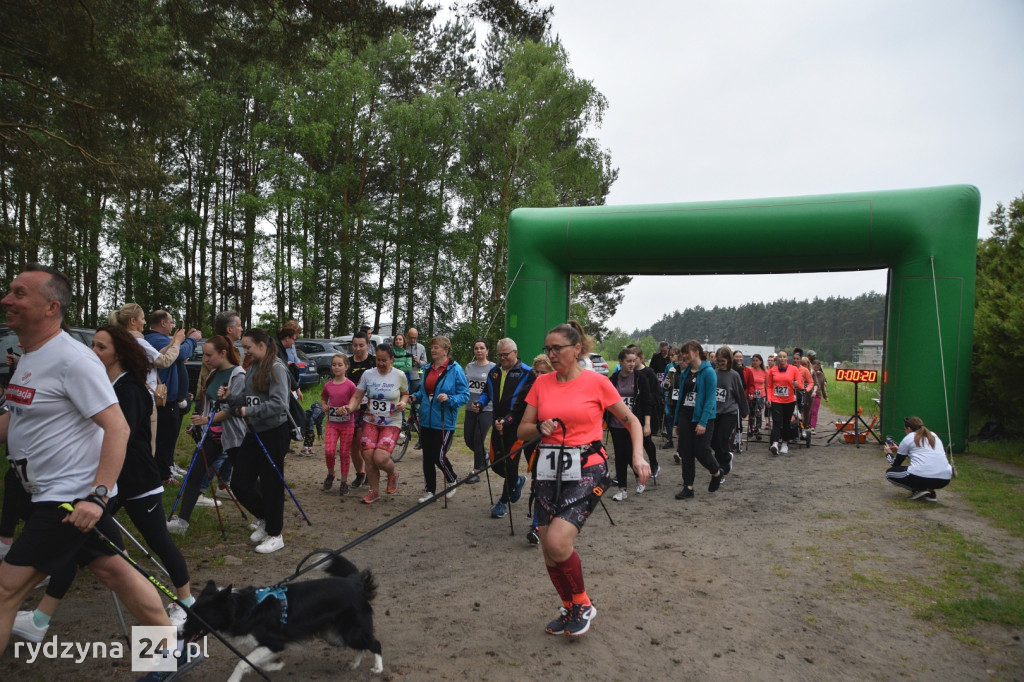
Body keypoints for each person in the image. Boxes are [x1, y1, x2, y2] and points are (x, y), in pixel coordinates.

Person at [0, 264, 177, 656]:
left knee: (4, 590)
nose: (7, 300)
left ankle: (165, 652)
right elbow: (19, 417)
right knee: (118, 572)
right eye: (9, 292)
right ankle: (166, 653)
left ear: (51, 306)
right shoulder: (31, 358)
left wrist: (96, 498)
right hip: (49, 493)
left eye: (18, 293)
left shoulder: (73, 360)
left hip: (67, 499)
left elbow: (117, 428)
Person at [14, 325, 196, 641]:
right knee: (84, 551)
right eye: (93, 345)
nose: (94, 352)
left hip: (136, 480)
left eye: (102, 347)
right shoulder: (105, 383)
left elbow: (116, 433)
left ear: (120, 354)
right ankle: (41, 619)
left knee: (157, 541)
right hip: (105, 483)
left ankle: (188, 603)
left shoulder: (129, 389)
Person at [518, 321, 649, 637]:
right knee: (548, 551)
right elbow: (523, 430)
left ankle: (583, 603)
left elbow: (630, 420)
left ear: (576, 349)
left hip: (588, 467)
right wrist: (540, 427)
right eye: (547, 349)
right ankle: (569, 606)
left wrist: (637, 455)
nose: (551, 354)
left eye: (557, 348)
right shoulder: (542, 384)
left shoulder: (597, 383)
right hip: (548, 469)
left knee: (558, 541)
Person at [167, 336, 247, 534]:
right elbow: (209, 404)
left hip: (234, 435)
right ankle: (182, 522)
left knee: (245, 481)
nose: (205, 359)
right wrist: (200, 423)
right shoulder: (212, 373)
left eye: (209, 355)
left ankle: (265, 516)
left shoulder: (238, 375)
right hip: (211, 434)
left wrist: (206, 420)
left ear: (223, 353)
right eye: (204, 355)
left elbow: (232, 410)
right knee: (195, 475)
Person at [222, 328, 291, 554]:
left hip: (274, 433)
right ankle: (264, 517)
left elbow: (280, 404)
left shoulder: (276, 368)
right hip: (253, 432)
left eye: (249, 347)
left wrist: (248, 410)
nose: (245, 351)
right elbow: (248, 397)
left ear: (262, 345)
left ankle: (275, 533)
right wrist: (230, 398)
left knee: (272, 484)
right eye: (244, 347)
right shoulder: (253, 367)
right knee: (239, 482)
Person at [110, 302, 184, 472]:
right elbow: (163, 361)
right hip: (145, 399)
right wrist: (178, 344)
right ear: (133, 321)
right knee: (147, 444)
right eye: (142, 319)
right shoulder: (137, 341)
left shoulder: (124, 340)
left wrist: (172, 343)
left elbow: (154, 355)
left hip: (127, 396)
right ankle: (146, 479)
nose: (145, 322)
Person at [473, 337, 534, 518]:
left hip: (517, 427)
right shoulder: (494, 372)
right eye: (499, 355)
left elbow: (526, 404)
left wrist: (508, 420)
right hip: (497, 422)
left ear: (515, 353)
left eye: (506, 354)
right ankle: (516, 483)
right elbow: (486, 393)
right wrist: (480, 404)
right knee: (495, 465)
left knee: (510, 464)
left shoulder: (527, 373)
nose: (502, 358)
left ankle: (502, 502)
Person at [145, 310, 202, 492]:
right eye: (170, 323)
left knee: (169, 436)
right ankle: (163, 475)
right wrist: (191, 339)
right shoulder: (156, 339)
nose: (172, 327)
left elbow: (181, 356)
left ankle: (167, 466)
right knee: (165, 438)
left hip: (172, 397)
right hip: (165, 399)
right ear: (162, 323)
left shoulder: (161, 340)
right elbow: (181, 352)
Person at [346, 344, 409, 505]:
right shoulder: (368, 374)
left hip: (391, 421)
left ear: (392, 359)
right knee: (368, 456)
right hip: (371, 420)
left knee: (380, 458)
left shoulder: (399, 375)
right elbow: (357, 396)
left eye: (384, 360)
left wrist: (402, 402)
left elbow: (405, 393)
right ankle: (374, 491)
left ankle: (392, 473)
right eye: (378, 360)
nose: (380, 363)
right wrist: (349, 408)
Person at [412, 337, 469, 503]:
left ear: (446, 350)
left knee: (438, 454)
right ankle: (430, 491)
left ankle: (452, 479)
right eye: (432, 347)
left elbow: (464, 395)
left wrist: (450, 399)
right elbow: (423, 392)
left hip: (444, 420)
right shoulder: (428, 368)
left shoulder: (455, 369)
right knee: (427, 457)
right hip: (426, 419)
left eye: (436, 347)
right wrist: (415, 397)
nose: (433, 350)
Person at [672, 340, 724, 499]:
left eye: (686, 353)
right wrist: (676, 421)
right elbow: (681, 397)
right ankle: (688, 486)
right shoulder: (686, 372)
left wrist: (703, 422)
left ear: (696, 351)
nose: (684, 356)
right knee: (686, 451)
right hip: (685, 415)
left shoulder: (709, 372)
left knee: (701, 450)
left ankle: (716, 472)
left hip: (703, 417)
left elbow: (710, 399)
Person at [607, 347, 656, 501]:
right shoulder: (613, 379)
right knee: (619, 455)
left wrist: (647, 424)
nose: (632, 364)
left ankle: (638, 477)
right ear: (621, 361)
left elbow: (647, 401)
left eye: (634, 361)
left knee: (630, 454)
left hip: (634, 424)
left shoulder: (640, 378)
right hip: (616, 423)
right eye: (628, 361)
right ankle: (622, 489)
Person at [883, 416, 952, 501]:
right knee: (926, 471)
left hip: (923, 476)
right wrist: (902, 451)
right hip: (945, 478)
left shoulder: (908, 438)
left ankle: (919, 489)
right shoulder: (933, 435)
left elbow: (895, 465)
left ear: (908, 429)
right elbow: (925, 455)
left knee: (889, 473)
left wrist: (888, 454)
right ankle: (931, 492)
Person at [320, 354, 357, 494]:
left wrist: (347, 408)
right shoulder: (328, 385)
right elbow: (323, 399)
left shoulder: (350, 385)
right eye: (334, 364)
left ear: (346, 366)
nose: (336, 367)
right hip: (332, 423)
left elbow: (357, 404)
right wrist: (324, 405)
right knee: (329, 451)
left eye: (340, 364)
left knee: (343, 453)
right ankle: (330, 474)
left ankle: (344, 481)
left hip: (347, 424)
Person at [346, 331, 376, 488]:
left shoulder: (374, 362)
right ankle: (360, 474)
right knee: (354, 444)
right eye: (355, 345)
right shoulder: (347, 363)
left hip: (371, 408)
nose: (357, 349)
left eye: (361, 345)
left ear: (368, 345)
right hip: (353, 407)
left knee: (366, 444)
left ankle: (371, 473)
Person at [712, 346, 748, 478]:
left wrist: (744, 410)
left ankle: (720, 469)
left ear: (729, 360)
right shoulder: (713, 373)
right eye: (719, 361)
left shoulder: (734, 375)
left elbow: (739, 393)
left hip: (729, 412)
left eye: (723, 361)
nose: (721, 363)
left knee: (722, 440)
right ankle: (727, 457)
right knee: (713, 441)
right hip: (715, 412)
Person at [463, 339, 495, 484]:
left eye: (482, 348)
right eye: (476, 348)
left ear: (487, 350)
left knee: (478, 439)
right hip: (470, 407)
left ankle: (476, 471)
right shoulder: (469, 367)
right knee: (468, 439)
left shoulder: (494, 368)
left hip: (487, 409)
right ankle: (485, 455)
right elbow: (464, 385)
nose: (479, 351)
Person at [765, 350, 805, 455]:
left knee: (787, 422)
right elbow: (769, 386)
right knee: (776, 422)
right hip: (776, 400)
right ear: (777, 359)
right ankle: (775, 444)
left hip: (789, 400)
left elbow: (800, 386)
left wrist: (796, 384)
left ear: (787, 358)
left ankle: (785, 443)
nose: (782, 358)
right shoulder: (772, 370)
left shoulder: (794, 369)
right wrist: (769, 399)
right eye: (780, 357)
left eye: (784, 357)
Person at [746, 354, 768, 440]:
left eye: (757, 360)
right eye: (753, 360)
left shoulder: (765, 372)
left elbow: (767, 386)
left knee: (758, 413)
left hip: (761, 395)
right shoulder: (749, 370)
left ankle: (758, 429)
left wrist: (768, 398)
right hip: (751, 395)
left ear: (761, 362)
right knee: (751, 413)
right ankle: (751, 428)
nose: (755, 362)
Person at [809, 359, 828, 431]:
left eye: (817, 367)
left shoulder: (821, 375)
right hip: (809, 394)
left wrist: (825, 396)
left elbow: (822, 386)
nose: (816, 368)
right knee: (808, 411)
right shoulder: (809, 373)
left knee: (814, 411)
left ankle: (812, 426)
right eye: (814, 367)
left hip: (818, 394)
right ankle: (807, 424)